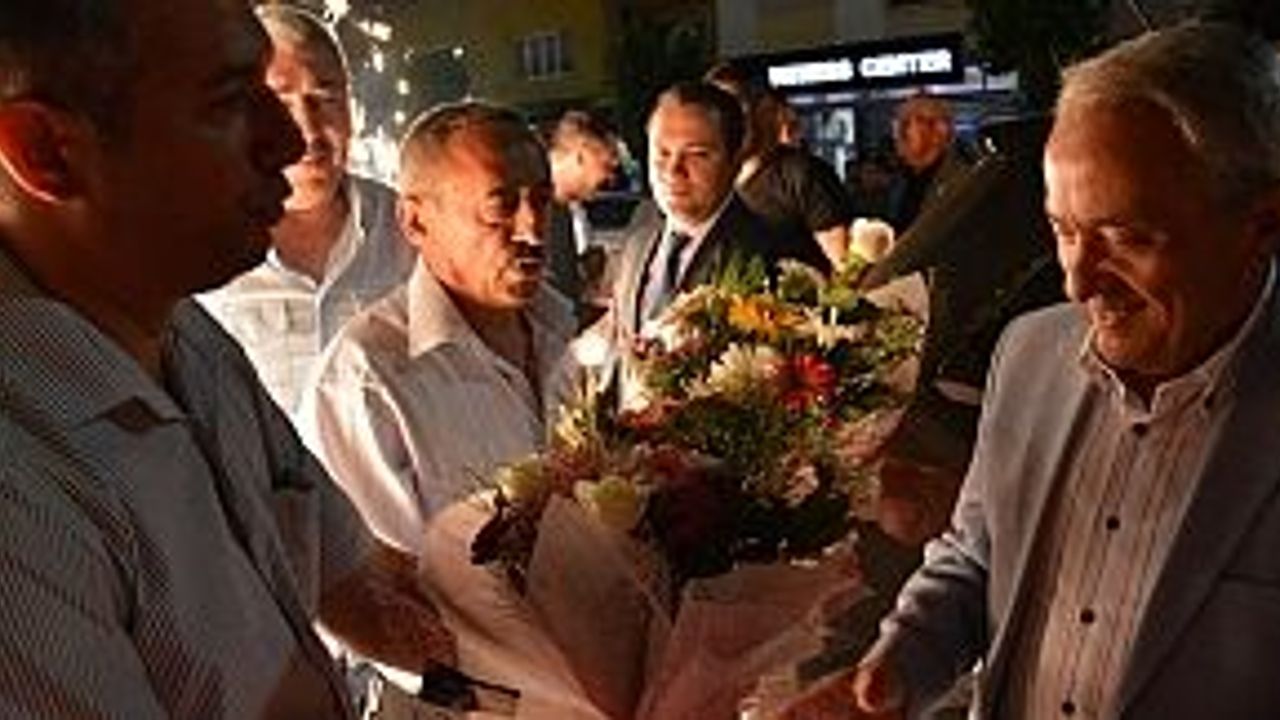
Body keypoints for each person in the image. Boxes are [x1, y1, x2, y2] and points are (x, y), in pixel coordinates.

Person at [785, 20, 1280, 720]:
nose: (1078, 283)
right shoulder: (1030, 353)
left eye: (1129, 239)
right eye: (1063, 231)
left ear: (1261, 225)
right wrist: (897, 668)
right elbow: (978, 557)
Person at [0, 0, 463, 716]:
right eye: (228, 102)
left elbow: (362, 585)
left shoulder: (188, 335)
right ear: (48, 153)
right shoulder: (22, 482)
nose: (287, 141)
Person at [299, 102, 602, 719]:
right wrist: (488, 700)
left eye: (541, 201)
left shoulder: (565, 334)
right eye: (500, 206)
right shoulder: (367, 377)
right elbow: (373, 596)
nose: (531, 229)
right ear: (415, 220)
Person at [201, 4, 414, 413]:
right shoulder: (204, 257)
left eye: (324, 99)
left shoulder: (412, 232)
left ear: (353, 107)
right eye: (280, 103)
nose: (308, 130)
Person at [603, 81, 783, 345]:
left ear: (735, 162)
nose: (673, 170)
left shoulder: (770, 254)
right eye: (662, 153)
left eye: (696, 155)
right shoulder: (637, 242)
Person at [705, 63, 854, 271]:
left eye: (735, 108)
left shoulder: (803, 175)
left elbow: (847, 270)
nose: (725, 122)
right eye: (714, 112)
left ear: (765, 109)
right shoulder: (711, 184)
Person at [543, 109, 621, 323]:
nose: (611, 178)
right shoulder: (533, 208)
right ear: (581, 156)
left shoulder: (565, 208)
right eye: (607, 165)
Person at [885, 92, 970, 234]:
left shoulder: (959, 181)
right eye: (898, 123)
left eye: (906, 124)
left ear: (939, 132)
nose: (898, 134)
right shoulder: (904, 179)